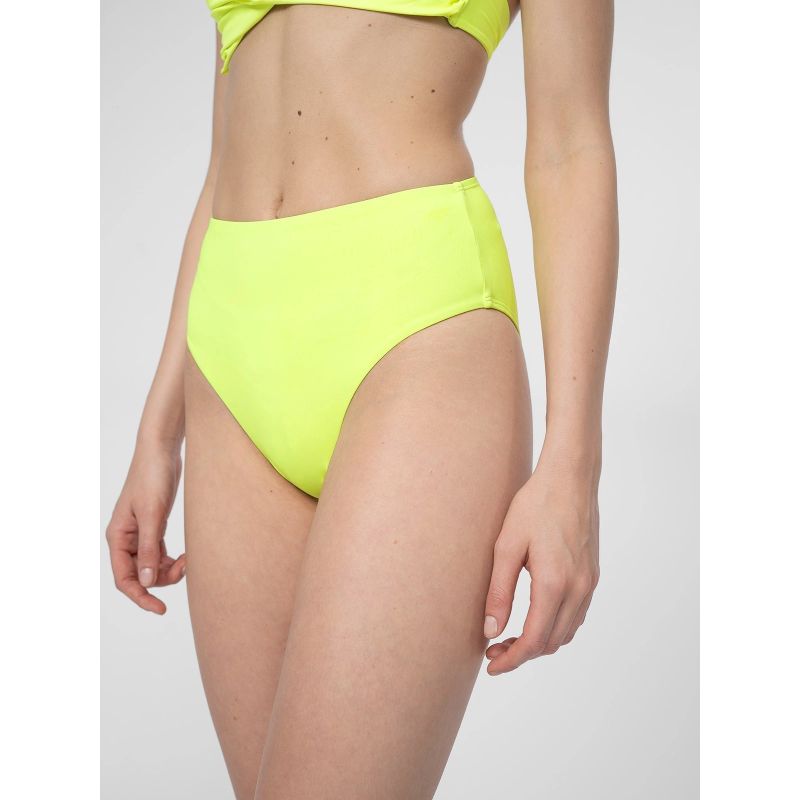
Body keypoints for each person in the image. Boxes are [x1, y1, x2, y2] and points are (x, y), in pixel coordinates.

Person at [105, 1, 618, 797]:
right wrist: (156, 430)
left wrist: (573, 468)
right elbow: (223, 163)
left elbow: (569, 145)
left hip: (413, 330)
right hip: (231, 352)